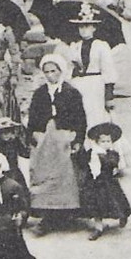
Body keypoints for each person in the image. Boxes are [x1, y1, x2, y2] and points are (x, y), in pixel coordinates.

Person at [27, 53, 87, 233]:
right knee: (45, 175)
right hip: (45, 141)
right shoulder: (39, 93)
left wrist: (78, 140)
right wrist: (34, 135)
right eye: (46, 71)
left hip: (64, 138)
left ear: (61, 71)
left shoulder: (71, 92)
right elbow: (33, 117)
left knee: (65, 176)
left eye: (53, 71)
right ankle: (47, 215)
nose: (50, 75)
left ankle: (66, 213)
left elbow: (80, 118)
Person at [67, 2, 116, 129]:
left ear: (94, 27)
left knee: (95, 113)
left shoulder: (101, 45)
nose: (83, 30)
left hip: (95, 83)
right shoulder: (75, 46)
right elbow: (70, 68)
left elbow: (108, 70)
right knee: (80, 113)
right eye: (81, 27)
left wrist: (109, 94)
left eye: (87, 26)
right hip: (79, 83)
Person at [82, 122, 131, 240]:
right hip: (95, 183)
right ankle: (98, 227)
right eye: (102, 142)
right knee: (95, 205)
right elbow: (84, 162)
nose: (106, 144)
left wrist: (103, 157)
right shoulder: (92, 152)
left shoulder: (112, 154)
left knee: (116, 200)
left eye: (108, 141)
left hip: (108, 182)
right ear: (97, 142)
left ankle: (123, 215)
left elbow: (113, 163)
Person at [97, 0, 131, 97]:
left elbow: (130, 15)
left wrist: (119, 9)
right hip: (106, 27)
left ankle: (124, 86)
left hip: (120, 25)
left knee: (123, 53)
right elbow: (98, 9)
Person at [0, 116, 31, 197]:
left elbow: (25, 153)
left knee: (21, 192)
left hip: (14, 171)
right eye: (5, 132)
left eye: (11, 131)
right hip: (0, 173)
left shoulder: (15, 142)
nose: (9, 135)